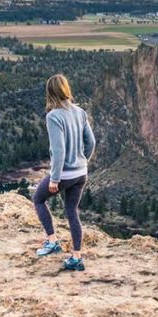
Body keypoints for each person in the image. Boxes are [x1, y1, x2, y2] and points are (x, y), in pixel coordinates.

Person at [32, 74, 96, 271]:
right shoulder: (80, 112)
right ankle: (76, 257)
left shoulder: (53, 116)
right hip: (81, 173)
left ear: (50, 93)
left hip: (65, 174)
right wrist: (82, 160)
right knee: (71, 211)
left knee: (38, 199)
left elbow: (58, 151)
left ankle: (52, 242)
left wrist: (55, 178)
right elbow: (91, 142)